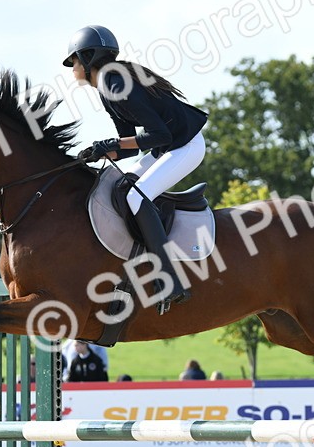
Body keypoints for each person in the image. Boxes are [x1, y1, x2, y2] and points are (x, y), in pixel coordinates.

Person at [65, 24, 208, 312]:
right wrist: (96, 154)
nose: (73, 69)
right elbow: (130, 145)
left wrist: (109, 145)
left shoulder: (115, 83)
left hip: (186, 145)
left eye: (75, 61)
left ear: (89, 57)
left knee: (135, 196)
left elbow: (159, 135)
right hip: (168, 146)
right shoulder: (107, 88)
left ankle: (170, 280)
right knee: (121, 186)